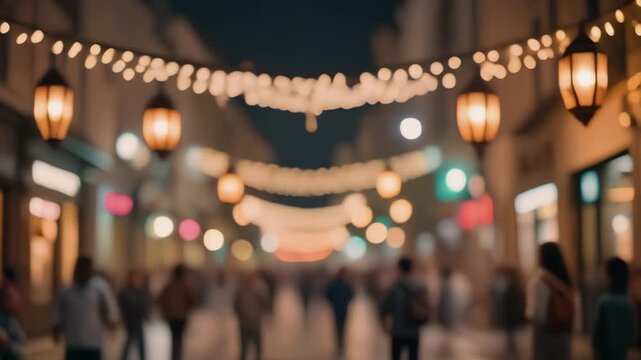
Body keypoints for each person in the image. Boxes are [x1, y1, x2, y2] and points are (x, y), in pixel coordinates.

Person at [53, 257, 120, 360]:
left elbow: (110, 309)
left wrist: (112, 324)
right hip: (73, 343)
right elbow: (58, 312)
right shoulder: (66, 291)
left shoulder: (100, 288)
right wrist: (56, 329)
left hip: (93, 342)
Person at [526, 242, 574, 360]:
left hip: (546, 331)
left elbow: (538, 313)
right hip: (563, 331)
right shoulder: (564, 279)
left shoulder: (541, 279)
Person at [380, 257, 429, 360]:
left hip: (398, 331)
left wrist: (384, 324)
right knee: (413, 356)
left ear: (399, 269)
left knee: (396, 356)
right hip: (414, 330)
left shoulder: (395, 288)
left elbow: (385, 307)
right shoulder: (419, 286)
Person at [592, 257, 637, 360]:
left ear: (611, 277)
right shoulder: (629, 302)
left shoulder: (604, 301)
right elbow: (632, 332)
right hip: (622, 354)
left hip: (605, 354)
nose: (601, 277)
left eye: (604, 274)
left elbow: (598, 333)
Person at [160, 264, 196, 360]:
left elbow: (161, 299)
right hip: (181, 316)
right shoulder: (185, 285)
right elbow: (192, 299)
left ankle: (174, 356)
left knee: (174, 337)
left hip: (171, 316)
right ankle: (177, 356)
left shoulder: (168, 285)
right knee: (179, 338)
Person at [234, 271, 268, 360]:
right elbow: (236, 306)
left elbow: (264, 304)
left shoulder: (258, 290)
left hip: (254, 322)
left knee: (256, 346)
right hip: (245, 322)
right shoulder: (240, 291)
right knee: (244, 346)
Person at [118, 270, 151, 360]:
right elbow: (122, 305)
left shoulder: (140, 291)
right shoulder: (126, 292)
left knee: (140, 342)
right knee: (130, 341)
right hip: (130, 320)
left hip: (138, 319)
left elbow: (145, 303)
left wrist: (146, 313)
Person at [325, 267, 354, 354]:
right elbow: (328, 294)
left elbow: (351, 294)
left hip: (342, 307)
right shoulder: (338, 284)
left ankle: (340, 340)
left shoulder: (345, 284)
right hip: (338, 307)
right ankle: (339, 341)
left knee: (341, 325)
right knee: (338, 325)